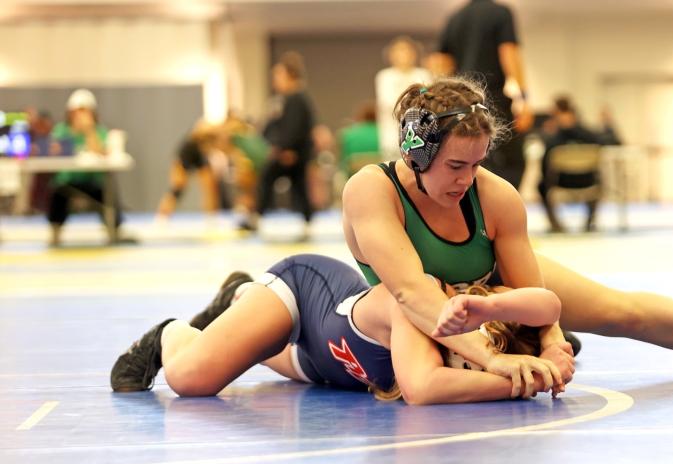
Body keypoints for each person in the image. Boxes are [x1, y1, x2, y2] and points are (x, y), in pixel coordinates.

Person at [341, 77, 673, 393]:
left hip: (491, 289)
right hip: (428, 310)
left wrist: (551, 338)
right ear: (416, 154)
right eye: (454, 165)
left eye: (477, 163)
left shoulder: (494, 196)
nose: (466, 179)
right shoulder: (372, 190)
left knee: (620, 312)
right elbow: (411, 293)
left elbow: (532, 289)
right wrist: (496, 359)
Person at [110, 254, 564, 404]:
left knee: (240, 346)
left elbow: (548, 307)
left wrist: (545, 352)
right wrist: (511, 382)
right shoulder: (417, 302)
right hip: (303, 302)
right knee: (190, 379)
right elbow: (422, 388)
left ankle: (239, 296)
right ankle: (169, 332)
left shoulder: (468, 350)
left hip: (320, 361)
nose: (469, 367)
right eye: (472, 358)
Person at [434, 0, 532, 189]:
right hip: (492, 100)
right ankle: (498, 212)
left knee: (467, 159)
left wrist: (447, 102)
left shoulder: (454, 18)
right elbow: (509, 53)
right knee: (512, 162)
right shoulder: (501, 12)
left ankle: (474, 212)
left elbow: (442, 62)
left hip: (461, 103)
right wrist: (523, 99)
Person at [242, 52, 318, 239]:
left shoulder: (296, 99)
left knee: (272, 180)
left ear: (290, 75)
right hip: (289, 151)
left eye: (278, 75)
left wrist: (287, 149)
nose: (275, 80)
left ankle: (257, 217)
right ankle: (306, 221)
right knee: (297, 187)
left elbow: (295, 128)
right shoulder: (286, 99)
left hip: (292, 153)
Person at [46, 88, 133, 247]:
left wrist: (88, 130)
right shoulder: (61, 130)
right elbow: (54, 150)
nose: (80, 115)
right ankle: (55, 232)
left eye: (84, 111)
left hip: (92, 180)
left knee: (108, 193)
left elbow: (102, 152)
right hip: (68, 181)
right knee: (57, 194)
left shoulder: (99, 130)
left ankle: (114, 230)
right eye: (77, 111)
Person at [537, 95, 601, 233]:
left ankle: (555, 225)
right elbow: (600, 146)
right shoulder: (589, 135)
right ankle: (589, 222)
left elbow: (544, 165)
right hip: (588, 182)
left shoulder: (553, 139)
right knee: (599, 178)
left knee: (541, 185)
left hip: (561, 183)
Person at [153, 120, 229, 226]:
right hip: (185, 156)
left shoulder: (212, 140)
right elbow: (199, 130)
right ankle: (162, 217)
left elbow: (215, 147)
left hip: (199, 158)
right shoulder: (202, 131)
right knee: (178, 188)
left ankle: (211, 218)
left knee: (210, 187)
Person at [375, 36, 432, 161]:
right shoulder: (385, 76)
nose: (403, 55)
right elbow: (389, 102)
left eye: (407, 50)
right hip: (392, 132)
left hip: (420, 130)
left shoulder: (423, 74)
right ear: (391, 55)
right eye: (399, 51)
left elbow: (426, 97)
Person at [339, 101, 381, 176]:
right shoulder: (383, 133)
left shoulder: (348, 134)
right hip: (380, 174)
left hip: (354, 175)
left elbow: (343, 163)